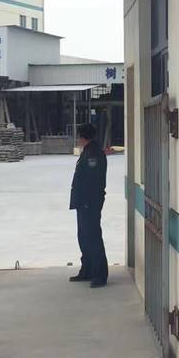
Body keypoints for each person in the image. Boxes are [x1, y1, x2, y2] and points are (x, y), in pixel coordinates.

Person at [69, 123, 109, 288]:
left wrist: (86, 202)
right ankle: (87, 269)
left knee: (92, 238)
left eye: (79, 136)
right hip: (83, 203)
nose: (78, 139)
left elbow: (92, 182)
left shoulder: (94, 154)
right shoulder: (88, 152)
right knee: (83, 237)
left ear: (83, 137)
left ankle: (100, 274)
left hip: (89, 203)